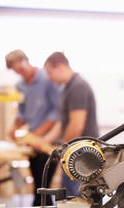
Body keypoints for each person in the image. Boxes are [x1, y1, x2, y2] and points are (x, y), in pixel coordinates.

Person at [5, 49, 60, 208]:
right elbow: (23, 113)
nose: (20, 73)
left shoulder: (47, 79)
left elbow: (56, 112)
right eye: (15, 71)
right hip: (33, 144)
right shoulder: (21, 85)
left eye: (21, 68)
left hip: (48, 143)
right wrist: (14, 126)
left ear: (26, 61)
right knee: (41, 190)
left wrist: (38, 135)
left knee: (44, 192)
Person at [43, 52, 99, 197]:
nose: (49, 78)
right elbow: (63, 122)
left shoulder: (78, 87)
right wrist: (45, 141)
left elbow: (76, 125)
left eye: (50, 73)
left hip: (81, 158)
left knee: (77, 206)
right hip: (75, 155)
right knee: (71, 203)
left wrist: (62, 152)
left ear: (60, 67)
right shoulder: (68, 87)